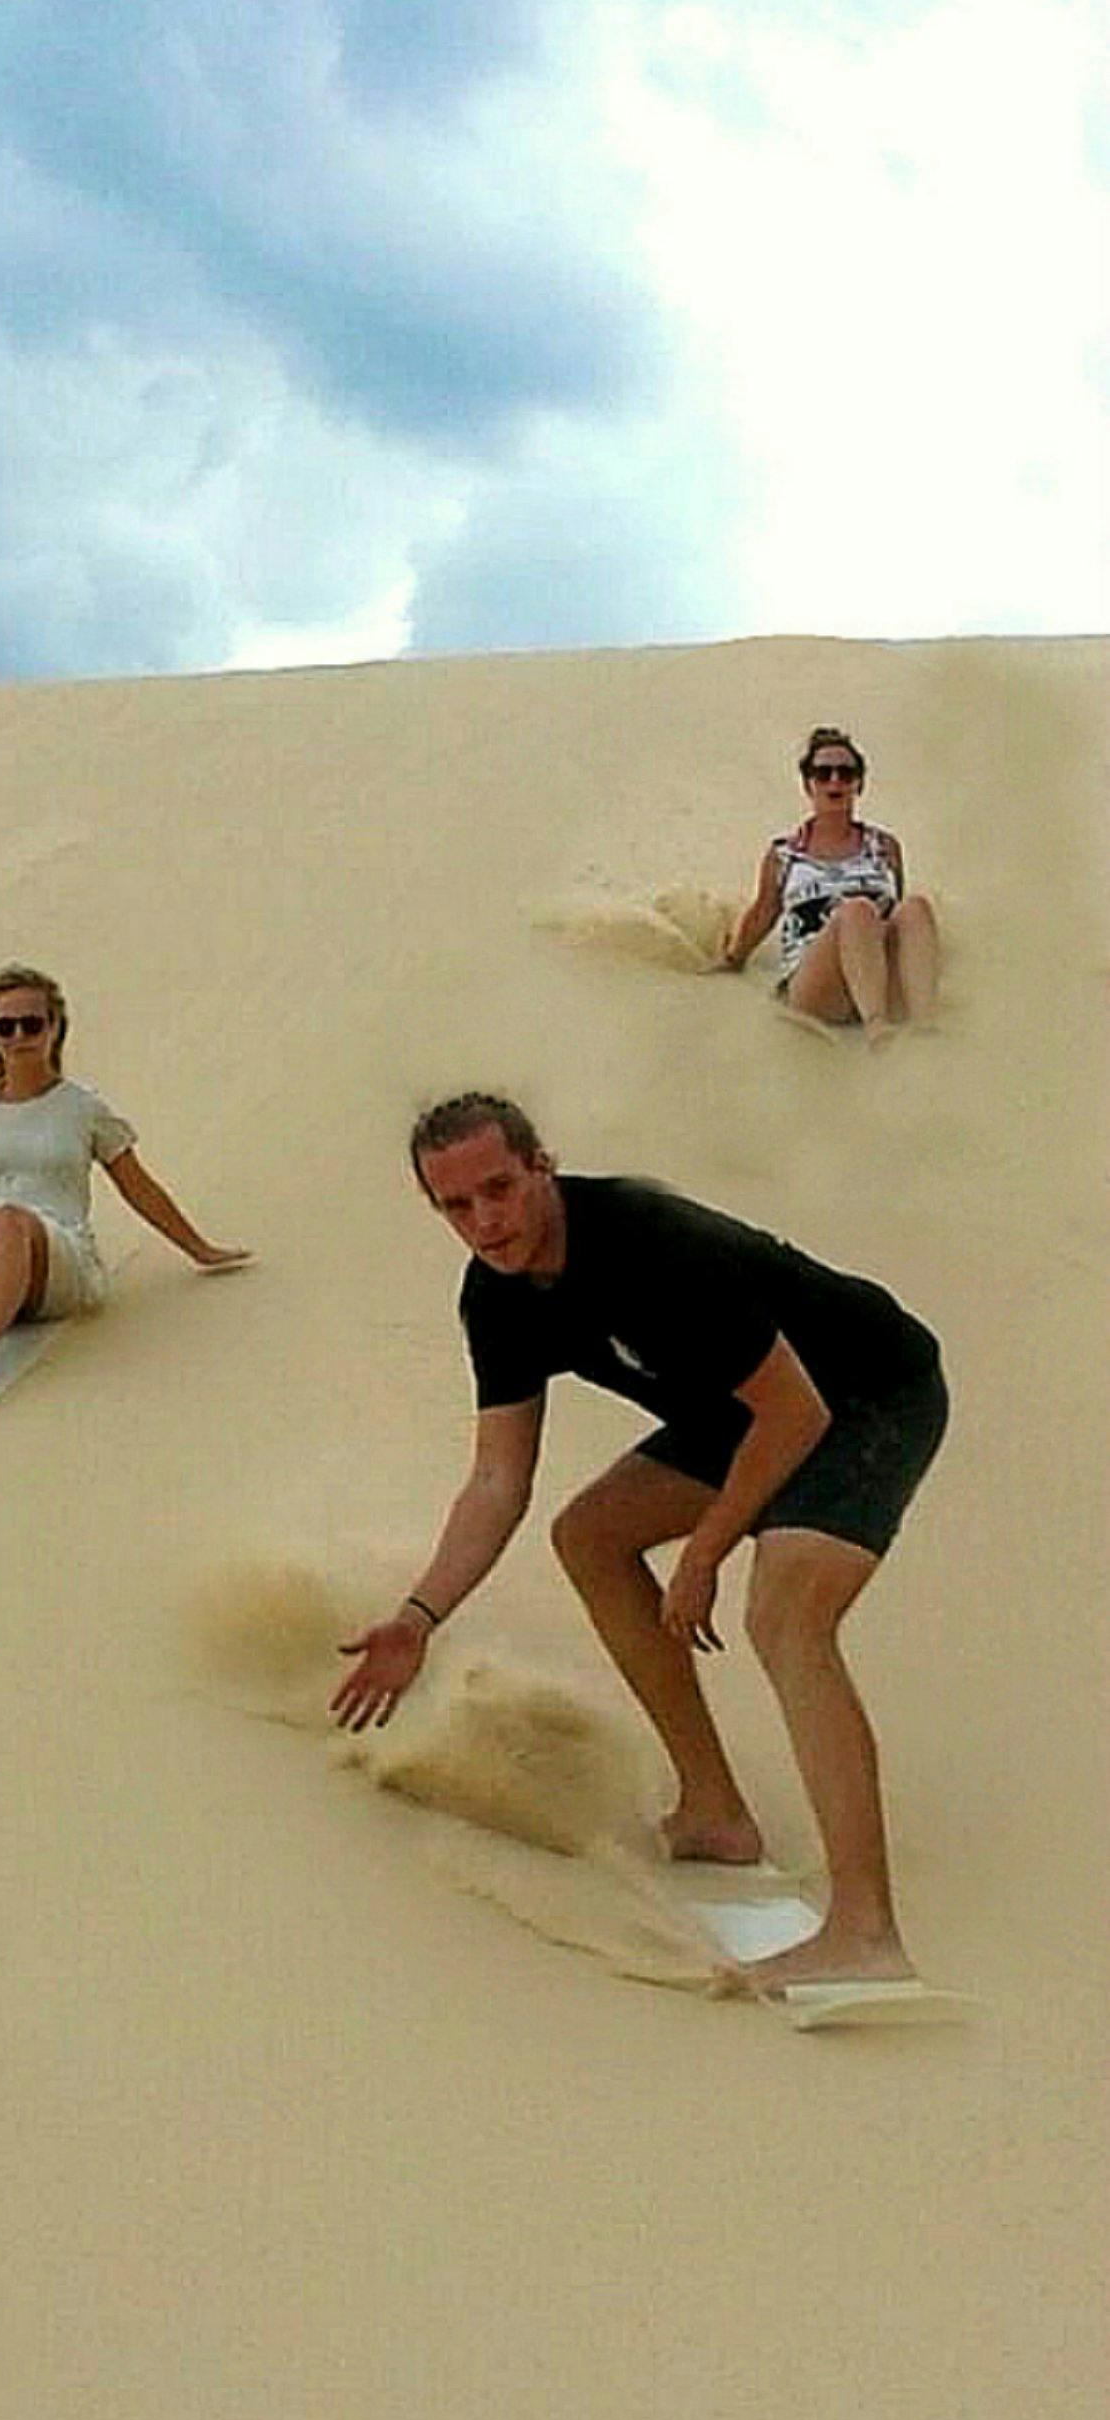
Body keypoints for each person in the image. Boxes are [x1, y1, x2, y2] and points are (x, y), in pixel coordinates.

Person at [333, 1095, 949, 1993]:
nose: (485, 1221)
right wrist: (420, 1616)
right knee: (589, 1535)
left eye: (499, 1188)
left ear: (543, 1164)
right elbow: (499, 1478)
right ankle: (715, 1811)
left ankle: (865, 1932)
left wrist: (703, 1553)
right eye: (455, 1207)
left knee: (785, 1614)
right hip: (737, 1412)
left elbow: (797, 1412)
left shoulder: (650, 1242)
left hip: (862, 1394)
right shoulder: (496, 1296)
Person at [0, 965, 249, 1394]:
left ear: (55, 1028)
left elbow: (137, 1186)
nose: (19, 1037)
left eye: (32, 1024)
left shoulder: (82, 1108)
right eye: (6, 1027)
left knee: (9, 1218)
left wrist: (200, 1250)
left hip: (61, 1259)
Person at [718, 724, 939, 1036]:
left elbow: (894, 915)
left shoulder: (884, 846)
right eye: (823, 773)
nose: (835, 781)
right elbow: (764, 912)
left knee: (915, 907)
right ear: (809, 785)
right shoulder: (784, 855)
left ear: (858, 783)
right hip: (817, 984)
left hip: (874, 971)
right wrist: (732, 960)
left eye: (845, 773)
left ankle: (925, 1023)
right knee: (857, 911)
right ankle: (877, 1028)